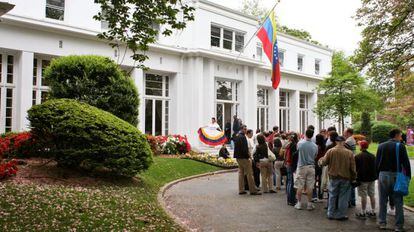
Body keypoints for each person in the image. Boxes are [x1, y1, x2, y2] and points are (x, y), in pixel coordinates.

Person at [376, 129, 411, 231]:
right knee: (398, 201)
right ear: (396, 135)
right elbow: (406, 163)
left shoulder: (381, 146)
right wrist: (408, 176)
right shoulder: (400, 146)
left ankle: (382, 223)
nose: (401, 137)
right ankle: (398, 226)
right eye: (400, 135)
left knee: (382, 200)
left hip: (382, 175)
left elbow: (377, 162)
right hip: (396, 175)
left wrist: (377, 175)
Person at [319, 136, 357, 221]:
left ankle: (330, 213)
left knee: (332, 195)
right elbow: (353, 167)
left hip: (333, 177)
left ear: (336, 142)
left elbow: (324, 162)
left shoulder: (330, 151)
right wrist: (354, 177)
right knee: (343, 197)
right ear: (343, 142)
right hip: (345, 177)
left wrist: (320, 161)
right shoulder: (349, 153)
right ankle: (341, 214)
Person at [294, 129, 318, 210]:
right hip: (311, 166)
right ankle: (309, 204)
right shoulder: (315, 146)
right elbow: (315, 156)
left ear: (305, 134)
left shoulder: (300, 143)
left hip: (301, 166)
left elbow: (297, 151)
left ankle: (299, 203)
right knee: (310, 186)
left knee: (300, 186)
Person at [233, 125, 261, 195]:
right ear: (242, 129)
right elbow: (244, 149)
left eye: (246, 129)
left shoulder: (237, 136)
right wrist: (248, 157)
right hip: (244, 158)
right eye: (245, 129)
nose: (246, 131)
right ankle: (253, 190)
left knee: (241, 173)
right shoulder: (243, 137)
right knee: (250, 174)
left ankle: (241, 189)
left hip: (238, 157)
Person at [355, 140, 377, 219]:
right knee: (372, 194)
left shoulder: (358, 156)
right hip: (372, 178)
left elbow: (356, 169)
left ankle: (363, 212)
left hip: (362, 178)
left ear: (361, 146)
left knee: (363, 195)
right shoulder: (372, 156)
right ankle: (373, 211)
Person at [344, 128, 357, 208]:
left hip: (350, 162)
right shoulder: (351, 139)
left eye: (345, 132)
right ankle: (352, 200)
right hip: (352, 160)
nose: (343, 133)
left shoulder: (348, 141)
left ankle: (350, 200)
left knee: (349, 183)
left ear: (348, 133)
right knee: (351, 182)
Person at [285, 133, 299, 206]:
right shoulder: (293, 145)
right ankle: (291, 199)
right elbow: (293, 156)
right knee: (291, 182)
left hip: (288, 164)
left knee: (289, 182)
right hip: (291, 164)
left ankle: (289, 199)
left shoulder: (288, 144)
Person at [313, 133, 326, 201]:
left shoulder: (315, 146)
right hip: (322, 164)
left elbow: (314, 156)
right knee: (321, 180)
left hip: (315, 163)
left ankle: (314, 195)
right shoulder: (325, 146)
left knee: (314, 180)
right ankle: (320, 195)